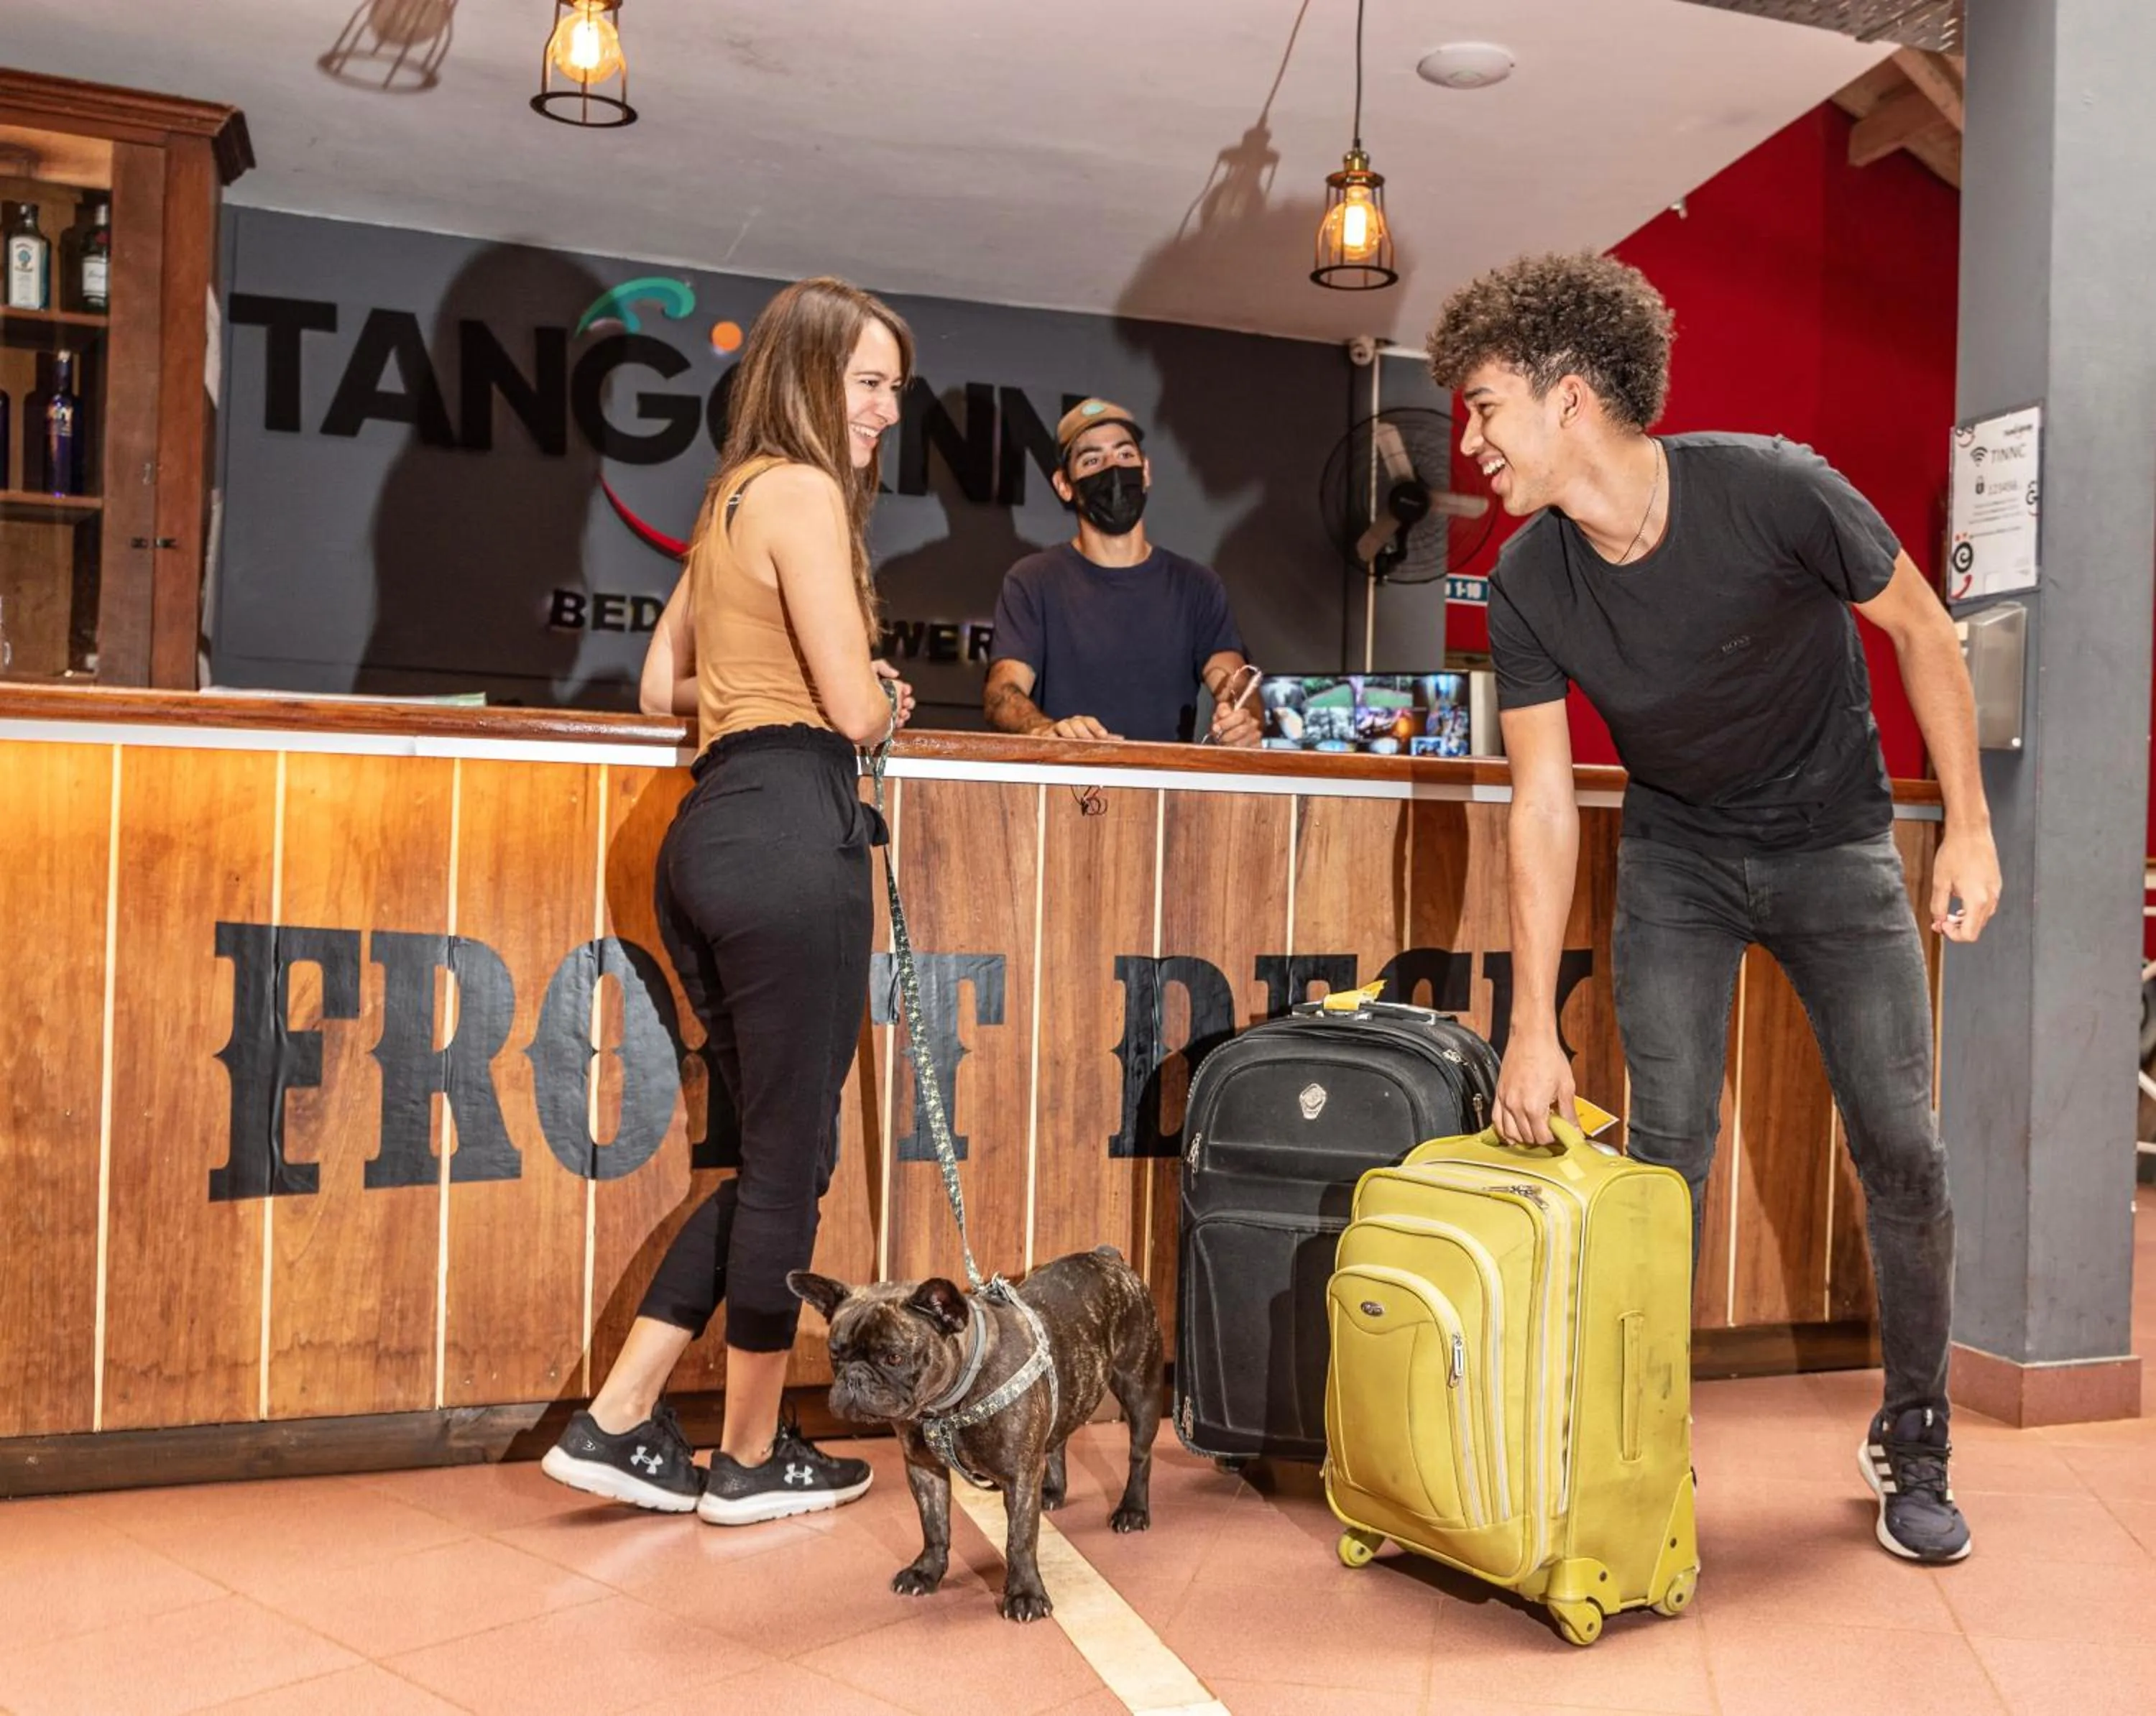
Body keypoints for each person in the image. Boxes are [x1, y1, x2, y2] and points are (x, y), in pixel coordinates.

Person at [1427, 252, 2001, 1566]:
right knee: (1663, 1162)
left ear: (1572, 399)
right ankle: (1637, 1446)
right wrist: (1531, 1023)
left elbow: (1923, 629)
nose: (1473, 441)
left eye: (1487, 406)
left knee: (1902, 1149)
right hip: (1679, 855)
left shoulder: (1777, 488)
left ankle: (1915, 1439)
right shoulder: (1529, 580)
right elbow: (1543, 802)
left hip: (1834, 845)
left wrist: (1967, 825)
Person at [542, 276, 916, 1525]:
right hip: (789, 832)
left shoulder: (728, 501)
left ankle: (619, 1417)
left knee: (764, 1161)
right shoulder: (805, 494)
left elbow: (662, 686)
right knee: (792, 1164)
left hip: (708, 834)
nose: (885, 411)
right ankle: (750, 1456)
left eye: (895, 392)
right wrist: (870, 691)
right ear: (812, 377)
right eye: (868, 383)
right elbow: (857, 715)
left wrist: (776, 681)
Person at [983, 400, 1261, 744]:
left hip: (1163, 790)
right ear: (1064, 485)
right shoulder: (1032, 581)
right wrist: (1043, 729)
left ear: (1145, 471)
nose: (1113, 469)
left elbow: (1234, 681)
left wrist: (1242, 720)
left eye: (1125, 455)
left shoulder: (1196, 586)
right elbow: (1002, 691)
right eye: (1092, 460)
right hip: (1066, 785)